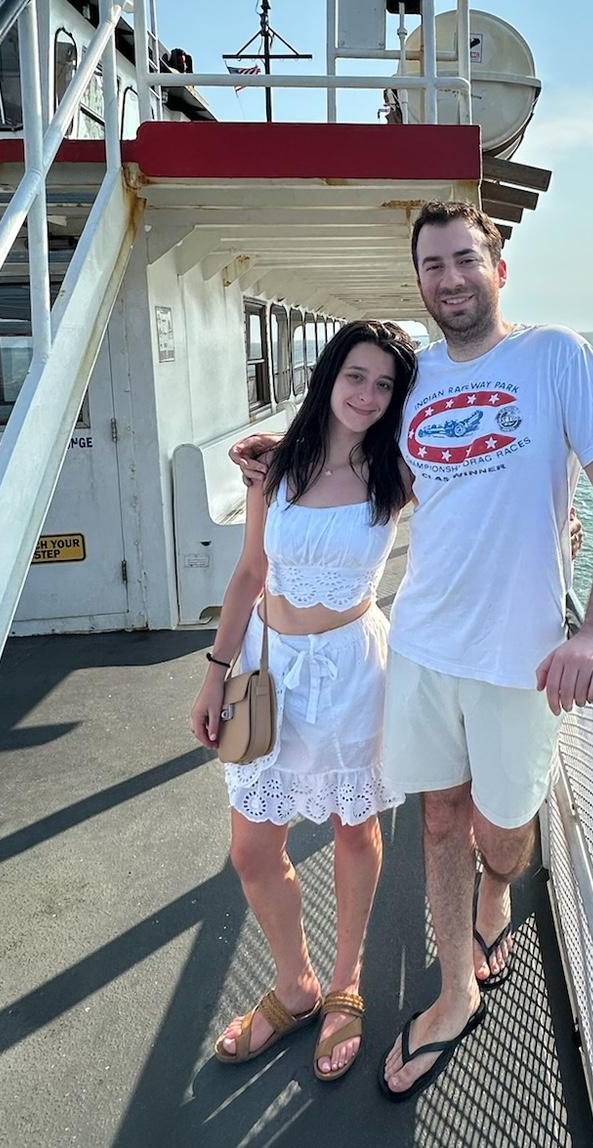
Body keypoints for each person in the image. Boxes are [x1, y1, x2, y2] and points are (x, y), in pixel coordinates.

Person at [234, 202, 593, 1103]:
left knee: (503, 833)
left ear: (499, 268)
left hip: (521, 656)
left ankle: (497, 893)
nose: (451, 278)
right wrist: (276, 453)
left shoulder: (555, 356)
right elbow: (355, 448)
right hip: (421, 645)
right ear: (419, 281)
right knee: (436, 820)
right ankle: (455, 990)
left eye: (465, 259)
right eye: (433, 265)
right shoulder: (415, 380)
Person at [191, 318, 419, 1082]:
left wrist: (561, 524)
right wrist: (215, 673)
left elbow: (481, 502)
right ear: (329, 376)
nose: (368, 395)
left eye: (385, 385)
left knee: (355, 828)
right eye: (357, 376)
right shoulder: (277, 466)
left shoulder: (400, 470)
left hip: (354, 672)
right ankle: (295, 984)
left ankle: (346, 982)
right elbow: (249, 574)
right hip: (268, 670)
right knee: (253, 850)